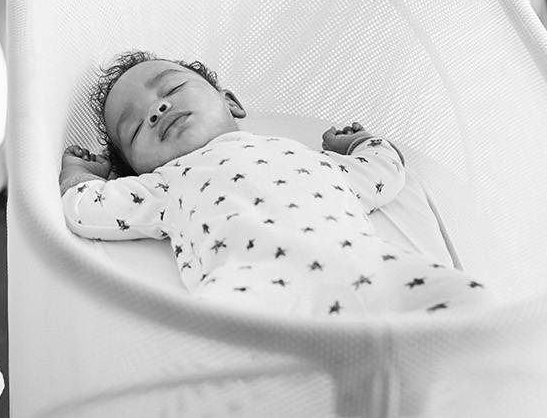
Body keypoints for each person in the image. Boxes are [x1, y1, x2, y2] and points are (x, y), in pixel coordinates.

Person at [60, 51, 491, 316]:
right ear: (136, 169)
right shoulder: (164, 185)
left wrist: (360, 142)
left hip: (368, 266)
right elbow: (85, 208)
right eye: (135, 127)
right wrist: (81, 174)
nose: (158, 109)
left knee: (464, 298)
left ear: (231, 102)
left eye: (170, 87)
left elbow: (382, 173)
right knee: (222, 347)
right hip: (255, 286)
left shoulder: (305, 156)